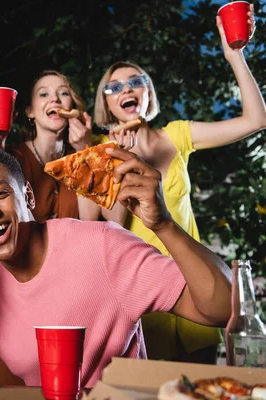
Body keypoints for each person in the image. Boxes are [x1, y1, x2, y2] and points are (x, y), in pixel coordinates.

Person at [0, 147, 232, 389]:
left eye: (0, 194)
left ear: (27, 196)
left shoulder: (102, 246)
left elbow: (223, 309)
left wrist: (164, 225)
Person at [93, 6, 265, 364]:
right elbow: (106, 230)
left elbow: (256, 119)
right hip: (143, 296)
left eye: (136, 81)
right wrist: (116, 162)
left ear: (148, 93)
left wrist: (235, 56)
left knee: (201, 385)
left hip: (196, 285)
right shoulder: (99, 154)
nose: (127, 88)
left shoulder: (177, 135)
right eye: (115, 86)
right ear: (106, 103)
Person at [0, 30, 130, 224]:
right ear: (30, 111)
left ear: (72, 107)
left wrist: (84, 151)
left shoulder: (84, 154)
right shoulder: (13, 156)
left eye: (64, 93)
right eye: (44, 94)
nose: (55, 99)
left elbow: (90, 221)